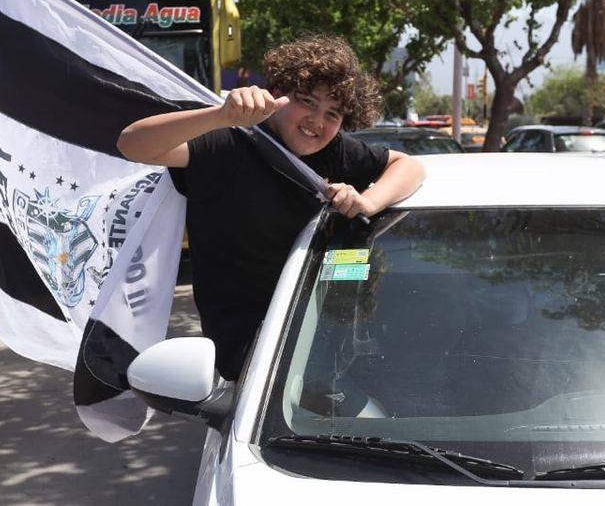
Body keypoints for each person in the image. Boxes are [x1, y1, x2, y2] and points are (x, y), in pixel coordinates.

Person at [117, 35, 426, 380]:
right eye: (306, 101)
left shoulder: (335, 152)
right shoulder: (232, 142)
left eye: (333, 114)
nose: (317, 121)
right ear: (277, 92)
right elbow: (132, 144)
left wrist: (368, 200)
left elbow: (408, 166)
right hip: (248, 365)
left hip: (324, 343)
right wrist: (220, 115)